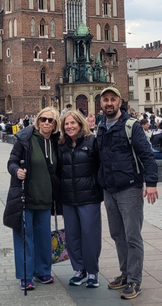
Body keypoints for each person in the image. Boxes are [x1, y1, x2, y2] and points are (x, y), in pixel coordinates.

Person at [96, 87, 158, 300]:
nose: (109, 103)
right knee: (117, 234)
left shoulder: (131, 125)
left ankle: (134, 280)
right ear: (101, 103)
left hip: (129, 188)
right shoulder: (101, 126)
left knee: (132, 235)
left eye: (113, 99)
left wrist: (151, 183)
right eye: (105, 100)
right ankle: (124, 274)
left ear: (120, 101)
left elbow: (147, 155)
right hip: (109, 188)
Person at [3, 106, 60, 291]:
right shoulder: (25, 138)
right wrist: (16, 171)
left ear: (55, 124)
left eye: (50, 120)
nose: (46, 123)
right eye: (43, 119)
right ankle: (25, 276)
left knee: (43, 237)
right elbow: (12, 161)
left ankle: (43, 271)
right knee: (24, 238)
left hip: (45, 199)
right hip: (25, 197)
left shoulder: (55, 141)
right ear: (37, 120)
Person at [56, 109, 103, 288]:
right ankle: (79, 269)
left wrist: (96, 186)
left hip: (89, 197)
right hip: (68, 198)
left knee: (90, 235)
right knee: (73, 236)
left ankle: (92, 271)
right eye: (66, 124)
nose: (69, 127)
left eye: (72, 123)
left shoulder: (92, 142)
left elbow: (101, 166)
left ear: (80, 123)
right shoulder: (61, 146)